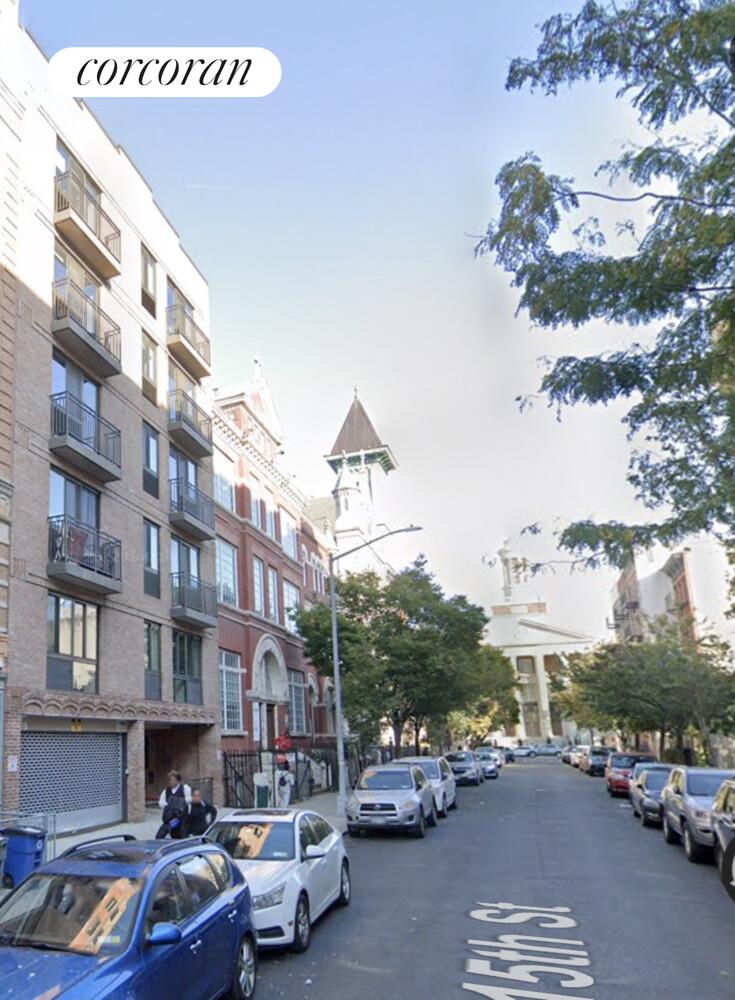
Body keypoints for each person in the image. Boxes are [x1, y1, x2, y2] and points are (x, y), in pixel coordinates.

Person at [156, 770, 192, 840]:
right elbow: (161, 803)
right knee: (159, 836)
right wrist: (169, 805)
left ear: (177, 780)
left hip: (182, 819)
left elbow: (189, 799)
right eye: (170, 780)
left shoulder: (185, 788)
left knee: (183, 838)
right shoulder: (166, 791)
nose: (172, 782)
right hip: (170, 819)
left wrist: (178, 802)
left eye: (173, 780)